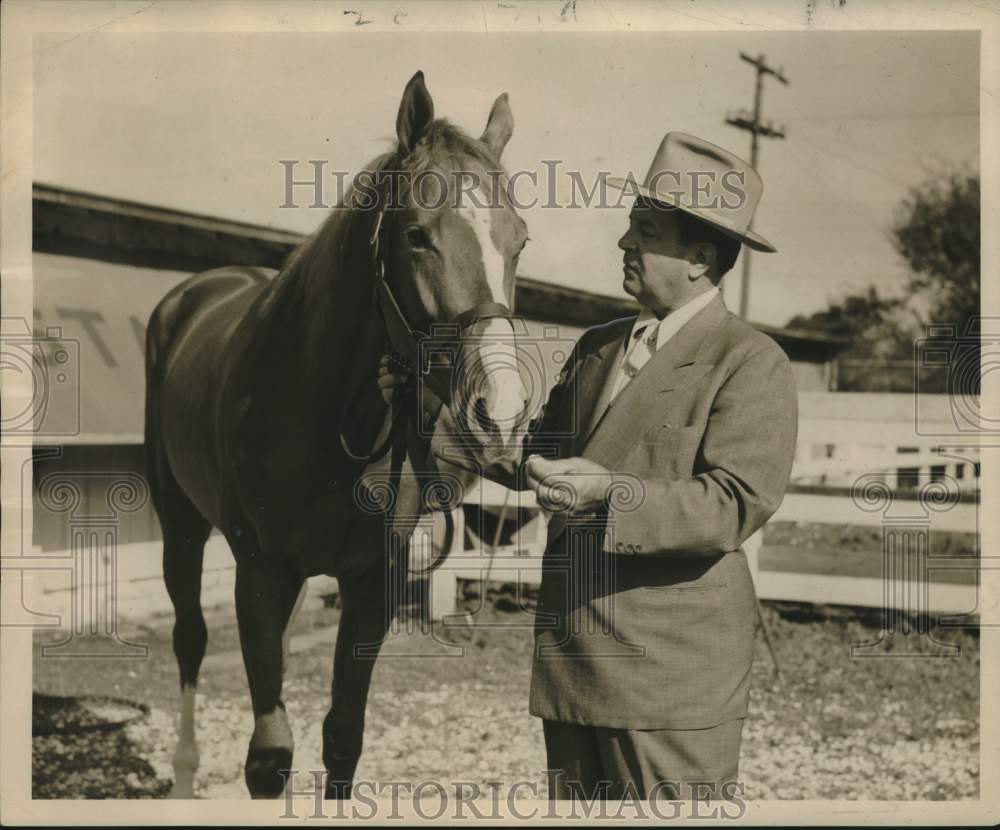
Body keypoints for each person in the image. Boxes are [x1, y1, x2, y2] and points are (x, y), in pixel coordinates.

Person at [379, 132, 798, 801]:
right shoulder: (599, 347)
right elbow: (537, 459)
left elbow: (733, 504)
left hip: (672, 677)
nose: (624, 245)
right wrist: (433, 410)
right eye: (630, 228)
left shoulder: (748, 362)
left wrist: (611, 495)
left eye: (645, 232)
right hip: (575, 663)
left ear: (698, 258)